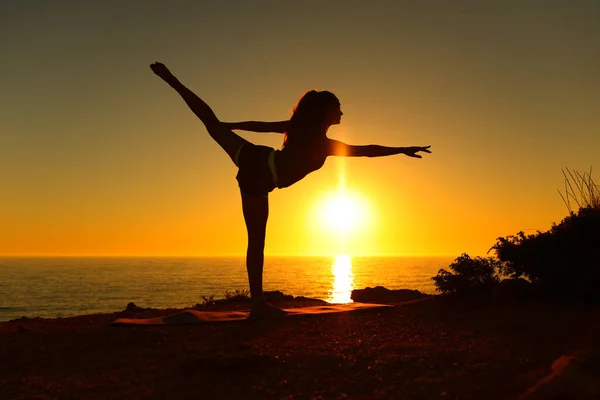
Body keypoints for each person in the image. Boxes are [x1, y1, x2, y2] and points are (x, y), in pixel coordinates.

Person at [150, 62, 431, 319]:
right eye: (339, 108)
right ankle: (172, 79)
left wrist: (402, 149)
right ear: (326, 112)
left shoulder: (322, 141)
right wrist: (230, 125)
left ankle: (258, 303)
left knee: (257, 241)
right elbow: (263, 126)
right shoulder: (310, 136)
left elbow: (367, 151)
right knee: (255, 237)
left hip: (259, 172)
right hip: (257, 164)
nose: (342, 112)